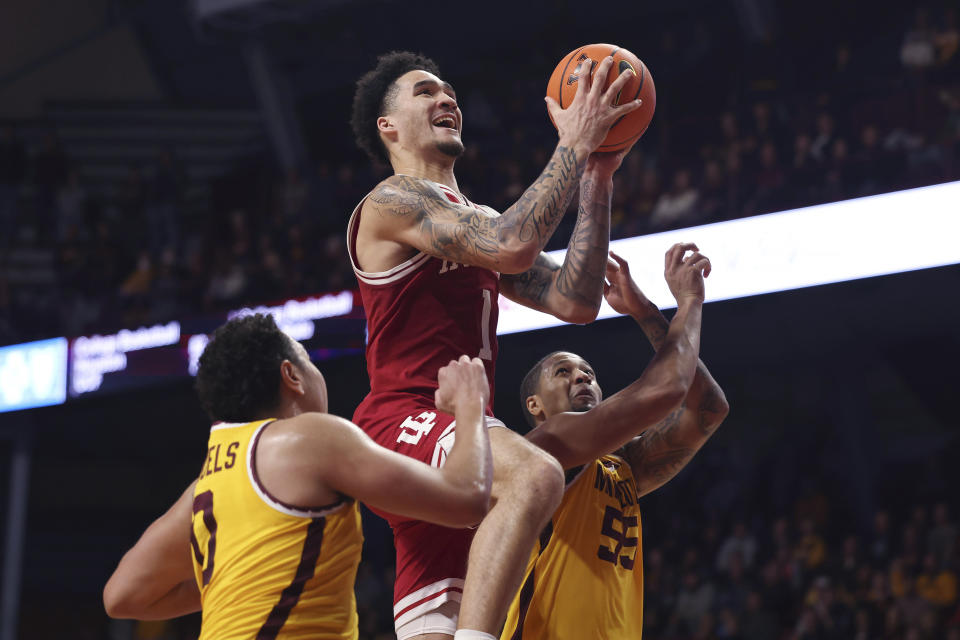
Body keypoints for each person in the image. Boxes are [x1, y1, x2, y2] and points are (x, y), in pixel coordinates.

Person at [347, 51, 642, 640]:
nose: (446, 99)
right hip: (406, 418)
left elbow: (575, 301)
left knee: (447, 619)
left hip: (463, 436)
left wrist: (597, 176)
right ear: (389, 126)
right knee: (536, 477)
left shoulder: (472, 218)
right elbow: (512, 244)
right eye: (426, 92)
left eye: (450, 90)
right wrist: (574, 143)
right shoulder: (391, 202)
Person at [103, 313, 494, 639]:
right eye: (309, 360)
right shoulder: (310, 438)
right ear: (292, 375)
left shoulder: (205, 483)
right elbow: (467, 497)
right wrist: (471, 404)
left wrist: (236, 586)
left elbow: (122, 597)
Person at [502, 246, 730, 639]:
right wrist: (686, 303)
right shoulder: (544, 447)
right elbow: (667, 386)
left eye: (589, 372)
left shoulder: (622, 465)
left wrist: (646, 313)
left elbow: (708, 409)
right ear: (534, 405)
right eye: (563, 371)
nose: (582, 377)